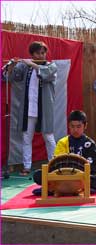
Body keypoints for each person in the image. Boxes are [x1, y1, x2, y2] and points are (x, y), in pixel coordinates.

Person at [7, 41, 57, 175]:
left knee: (49, 137)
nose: (41, 55)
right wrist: (13, 65)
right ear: (32, 54)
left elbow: (46, 74)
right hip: (29, 109)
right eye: (37, 53)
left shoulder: (51, 66)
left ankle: (54, 165)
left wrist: (31, 64)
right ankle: (27, 167)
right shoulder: (26, 68)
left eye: (43, 53)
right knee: (26, 138)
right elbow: (12, 78)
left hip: (44, 109)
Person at [32, 110, 96, 195]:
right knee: (38, 175)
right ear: (69, 126)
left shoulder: (89, 143)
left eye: (78, 126)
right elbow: (55, 165)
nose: (75, 129)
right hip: (62, 177)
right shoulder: (62, 142)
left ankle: (53, 189)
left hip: (80, 178)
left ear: (85, 126)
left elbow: (95, 168)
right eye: (72, 126)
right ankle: (81, 189)